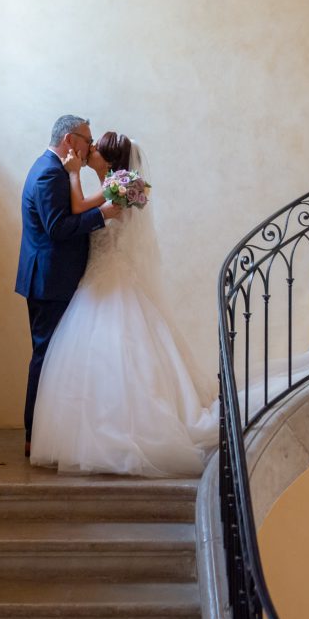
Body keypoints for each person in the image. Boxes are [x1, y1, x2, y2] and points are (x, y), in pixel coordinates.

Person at [28, 131, 218, 477]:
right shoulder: (118, 184)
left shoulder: (118, 184)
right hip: (99, 275)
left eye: (96, 149)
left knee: (116, 350)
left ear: (110, 159)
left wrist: (72, 174)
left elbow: (77, 209)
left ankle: (123, 430)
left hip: (109, 275)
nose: (90, 152)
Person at [15, 115, 122, 458]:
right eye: (86, 140)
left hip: (56, 278)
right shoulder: (49, 172)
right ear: (69, 139)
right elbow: (58, 228)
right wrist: (104, 215)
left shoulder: (56, 169)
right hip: (50, 281)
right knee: (46, 357)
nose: (89, 147)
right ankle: (35, 435)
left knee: (56, 358)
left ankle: (54, 432)